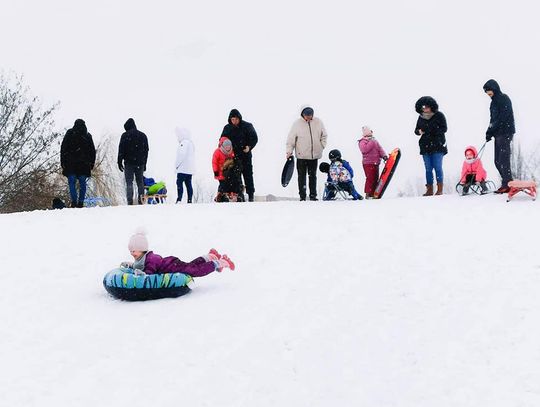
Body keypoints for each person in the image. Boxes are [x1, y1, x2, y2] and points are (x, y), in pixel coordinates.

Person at [120, 230, 235, 276]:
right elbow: (138, 266)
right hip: (173, 264)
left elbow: (149, 271)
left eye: (134, 251)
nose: (132, 253)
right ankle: (210, 256)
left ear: (142, 249)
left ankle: (220, 263)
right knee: (192, 265)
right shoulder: (141, 258)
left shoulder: (151, 259)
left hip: (173, 266)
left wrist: (142, 274)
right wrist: (130, 265)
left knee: (195, 271)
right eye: (130, 251)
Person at [286, 106, 328, 201]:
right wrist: (289, 151)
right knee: (301, 176)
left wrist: (321, 146)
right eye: (307, 115)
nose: (309, 117)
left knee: (313, 176)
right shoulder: (297, 124)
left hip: (314, 155)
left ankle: (313, 196)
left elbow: (324, 135)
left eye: (310, 115)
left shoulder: (318, 122)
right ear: (303, 114)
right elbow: (291, 139)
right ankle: (302, 196)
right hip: (301, 156)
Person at [483, 79, 515, 193]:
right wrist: (489, 132)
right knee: (497, 161)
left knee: (503, 159)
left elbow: (503, 117)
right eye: (486, 92)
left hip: (506, 131)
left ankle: (507, 183)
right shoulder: (493, 103)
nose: (488, 93)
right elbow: (493, 120)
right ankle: (507, 182)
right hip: (498, 133)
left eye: (489, 90)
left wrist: (493, 128)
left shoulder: (503, 99)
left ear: (494, 88)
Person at [221, 109, 258, 201]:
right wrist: (225, 149)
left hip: (245, 155)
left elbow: (254, 138)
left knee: (248, 175)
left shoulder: (247, 126)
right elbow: (222, 140)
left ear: (239, 118)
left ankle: (251, 195)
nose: (234, 121)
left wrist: (249, 147)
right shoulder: (227, 128)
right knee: (235, 176)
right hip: (233, 156)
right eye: (232, 119)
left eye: (236, 119)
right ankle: (239, 195)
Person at [414, 96, 448, 196]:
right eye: (423, 107)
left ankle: (440, 189)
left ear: (431, 106)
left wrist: (432, 130)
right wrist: (419, 131)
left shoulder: (439, 115)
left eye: (426, 107)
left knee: (437, 167)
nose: (425, 109)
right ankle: (429, 190)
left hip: (438, 145)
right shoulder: (420, 118)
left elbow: (444, 128)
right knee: (428, 169)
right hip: (425, 146)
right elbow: (416, 130)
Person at [60, 119, 96, 208]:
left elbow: (63, 148)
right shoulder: (87, 135)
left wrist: (63, 162)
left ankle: (74, 201)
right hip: (83, 164)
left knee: (72, 182)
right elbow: (92, 151)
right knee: (82, 183)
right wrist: (91, 163)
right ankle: (81, 202)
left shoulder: (70, 133)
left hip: (70, 163)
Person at [117, 118, 149, 205]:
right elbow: (146, 151)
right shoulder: (143, 136)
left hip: (129, 163)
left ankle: (130, 201)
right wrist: (145, 163)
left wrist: (119, 162)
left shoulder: (125, 135)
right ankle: (141, 200)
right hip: (140, 163)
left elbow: (121, 150)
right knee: (140, 182)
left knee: (129, 182)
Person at [358, 126, 387, 198]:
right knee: (370, 178)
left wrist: (384, 156)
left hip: (376, 162)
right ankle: (368, 193)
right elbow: (364, 150)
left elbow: (380, 149)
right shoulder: (362, 141)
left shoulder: (374, 141)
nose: (371, 133)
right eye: (370, 132)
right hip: (368, 163)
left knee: (375, 178)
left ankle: (374, 193)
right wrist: (371, 141)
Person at [212, 137, 242, 201]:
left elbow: (233, 161)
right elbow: (214, 162)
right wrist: (215, 171)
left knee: (232, 184)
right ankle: (220, 195)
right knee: (222, 185)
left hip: (228, 173)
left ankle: (232, 195)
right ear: (223, 146)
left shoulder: (232, 152)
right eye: (226, 146)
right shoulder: (217, 152)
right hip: (220, 172)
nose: (228, 147)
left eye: (229, 146)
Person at [175, 127, 195, 203]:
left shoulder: (183, 143)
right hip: (190, 169)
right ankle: (189, 200)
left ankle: (179, 199)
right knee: (188, 184)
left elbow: (181, 155)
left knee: (179, 183)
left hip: (182, 168)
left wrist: (177, 165)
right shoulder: (191, 143)